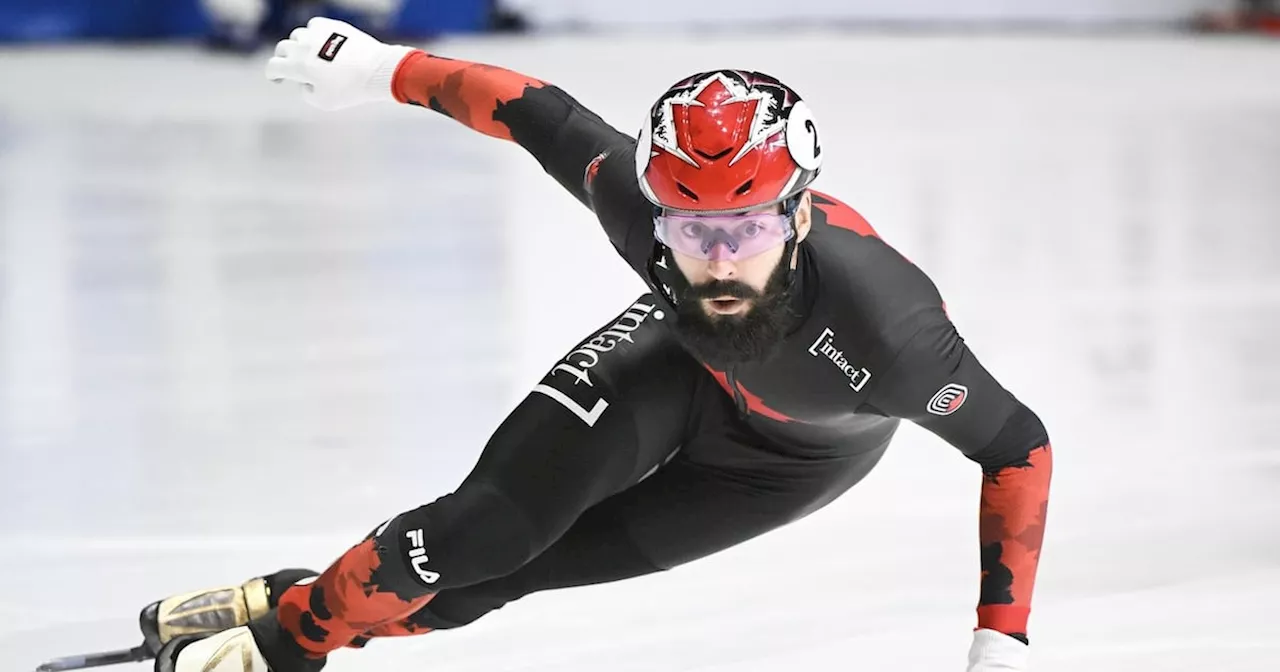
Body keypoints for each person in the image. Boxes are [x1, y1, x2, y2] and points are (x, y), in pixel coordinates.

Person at [145, 17, 1053, 672]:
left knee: (490, 585)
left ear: (803, 214)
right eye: (692, 235)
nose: (722, 262)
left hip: (783, 466)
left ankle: (293, 599)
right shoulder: (635, 203)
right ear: (654, 215)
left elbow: (1016, 447)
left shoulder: (889, 329)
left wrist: (999, 637)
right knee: (486, 533)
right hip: (675, 365)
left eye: (749, 229)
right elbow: (533, 111)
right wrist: (384, 68)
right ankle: (290, 636)